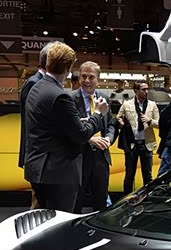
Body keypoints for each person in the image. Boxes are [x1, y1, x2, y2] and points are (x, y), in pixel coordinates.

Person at [23, 42, 109, 212]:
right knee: (61, 220)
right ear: (69, 68)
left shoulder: (36, 86)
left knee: (47, 219)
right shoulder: (60, 96)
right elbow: (81, 135)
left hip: (39, 168)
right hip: (58, 173)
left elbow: (52, 125)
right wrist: (98, 113)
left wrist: (78, 122)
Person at [72, 61, 116, 212]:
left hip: (101, 158)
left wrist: (109, 138)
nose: (87, 80)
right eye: (83, 76)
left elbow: (110, 124)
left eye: (91, 77)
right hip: (80, 158)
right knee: (76, 202)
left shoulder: (104, 98)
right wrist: (89, 139)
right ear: (79, 77)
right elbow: (70, 130)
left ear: (98, 80)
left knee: (101, 202)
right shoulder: (70, 99)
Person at [19, 41, 58, 209]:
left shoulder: (41, 81)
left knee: (41, 201)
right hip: (38, 154)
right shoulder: (34, 82)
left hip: (42, 155)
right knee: (39, 204)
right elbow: (32, 122)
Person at [116, 81, 160, 194]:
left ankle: (148, 199)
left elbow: (159, 123)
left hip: (147, 144)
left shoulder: (152, 105)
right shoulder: (126, 104)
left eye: (147, 89)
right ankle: (126, 199)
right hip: (132, 144)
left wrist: (149, 121)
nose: (146, 91)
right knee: (129, 175)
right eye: (143, 89)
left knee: (148, 175)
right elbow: (118, 117)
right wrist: (121, 122)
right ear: (136, 91)